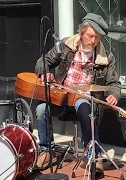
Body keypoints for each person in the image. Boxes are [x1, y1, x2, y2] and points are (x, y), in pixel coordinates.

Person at [34, 13, 121, 178]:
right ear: (81, 32)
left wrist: (113, 95)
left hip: (84, 98)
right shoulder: (66, 46)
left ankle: (92, 155)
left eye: (97, 37)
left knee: (84, 107)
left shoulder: (106, 57)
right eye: (90, 36)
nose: (93, 41)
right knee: (40, 109)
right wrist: (45, 73)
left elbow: (113, 84)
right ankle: (47, 150)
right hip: (61, 96)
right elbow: (42, 62)